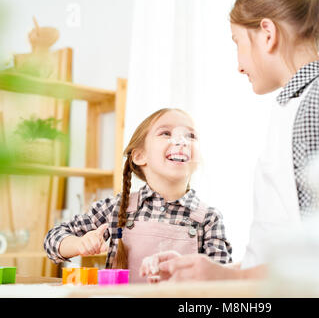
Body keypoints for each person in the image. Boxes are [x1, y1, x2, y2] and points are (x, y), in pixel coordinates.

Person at [140, 0, 319, 282]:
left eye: (237, 42)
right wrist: (216, 273)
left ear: (267, 34)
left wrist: (236, 281)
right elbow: (284, 253)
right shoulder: (292, 106)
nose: (239, 65)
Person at [44, 108, 232, 283]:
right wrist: (80, 243)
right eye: (166, 133)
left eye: (190, 136)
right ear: (140, 156)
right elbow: (52, 240)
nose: (180, 141)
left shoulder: (209, 219)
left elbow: (222, 286)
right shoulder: (117, 208)